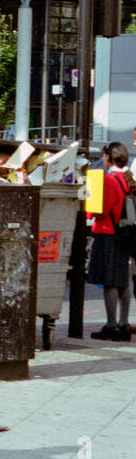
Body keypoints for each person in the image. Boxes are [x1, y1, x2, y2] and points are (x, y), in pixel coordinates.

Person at [87, 142, 132, 341]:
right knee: (124, 281)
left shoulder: (109, 180)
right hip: (126, 234)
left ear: (108, 157)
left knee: (110, 282)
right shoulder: (128, 178)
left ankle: (111, 325)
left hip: (109, 233)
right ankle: (124, 324)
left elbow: (99, 210)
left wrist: (88, 204)